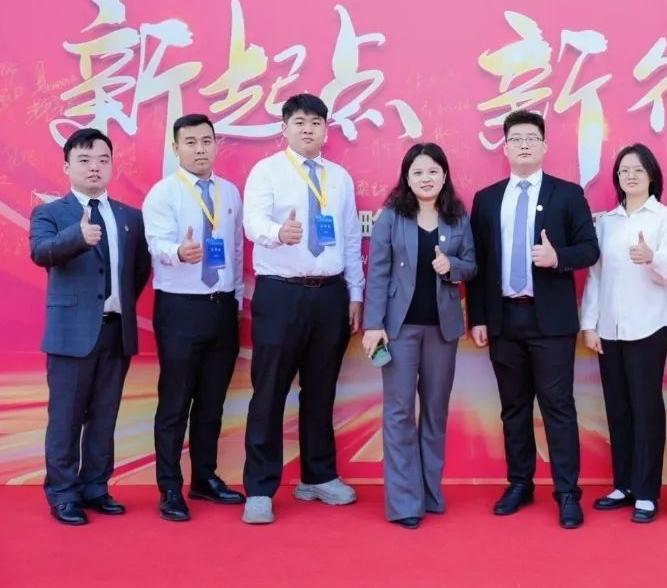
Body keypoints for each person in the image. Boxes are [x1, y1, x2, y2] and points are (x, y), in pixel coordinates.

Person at [465, 110, 599, 529]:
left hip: (551, 322)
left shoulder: (568, 194)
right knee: (513, 408)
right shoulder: (487, 199)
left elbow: (590, 249)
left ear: (544, 146)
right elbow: (479, 264)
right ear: (505, 148)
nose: (524, 144)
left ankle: (567, 493)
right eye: (516, 139)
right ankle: (520, 484)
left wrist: (558, 257)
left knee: (558, 407)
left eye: (531, 138)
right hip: (504, 318)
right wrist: (478, 317)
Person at [240, 93, 365, 525]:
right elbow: (252, 223)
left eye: (315, 122)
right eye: (299, 122)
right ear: (284, 128)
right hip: (281, 292)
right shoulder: (267, 171)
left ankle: (318, 476)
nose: (307, 128)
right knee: (269, 391)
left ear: (326, 130)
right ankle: (260, 488)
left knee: (321, 390)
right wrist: (279, 232)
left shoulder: (339, 177)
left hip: (330, 294)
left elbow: (350, 237)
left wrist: (355, 293)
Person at [29, 128, 151, 526]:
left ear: (112, 165)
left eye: (102, 160)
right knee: (65, 418)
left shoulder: (130, 217)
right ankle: (63, 494)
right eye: (84, 160)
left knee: (104, 415)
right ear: (67, 167)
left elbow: (139, 269)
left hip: (116, 330)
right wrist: (76, 237)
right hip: (71, 334)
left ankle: (96, 487)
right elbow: (41, 252)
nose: (94, 167)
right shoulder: (50, 213)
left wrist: (117, 304)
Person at [362, 143, 477, 530]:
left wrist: (452, 266)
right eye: (418, 172)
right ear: (406, 178)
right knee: (398, 413)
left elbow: (472, 265)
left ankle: (429, 492)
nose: (426, 178)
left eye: (433, 171)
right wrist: (373, 325)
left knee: (435, 412)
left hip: (442, 330)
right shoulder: (392, 216)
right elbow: (378, 272)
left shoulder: (457, 215)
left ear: (444, 175)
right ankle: (404, 502)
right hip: (398, 330)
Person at [143, 114, 245, 521]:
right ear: (176, 148)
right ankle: (170, 487)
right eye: (191, 142)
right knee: (175, 402)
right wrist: (178, 253)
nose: (200, 149)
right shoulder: (164, 193)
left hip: (222, 307)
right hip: (180, 307)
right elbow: (156, 243)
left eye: (206, 140)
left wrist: (236, 298)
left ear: (216, 144)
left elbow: (235, 251)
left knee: (212, 401)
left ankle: (204, 478)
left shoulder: (229, 192)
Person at [581, 143, 667, 524]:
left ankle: (647, 491)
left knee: (646, 409)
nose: (631, 176)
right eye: (624, 171)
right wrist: (589, 324)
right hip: (610, 329)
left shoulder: (665, 219)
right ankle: (623, 484)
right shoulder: (606, 222)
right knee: (618, 408)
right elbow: (595, 276)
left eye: (638, 170)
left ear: (651, 175)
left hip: (648, 327)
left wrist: (651, 258)